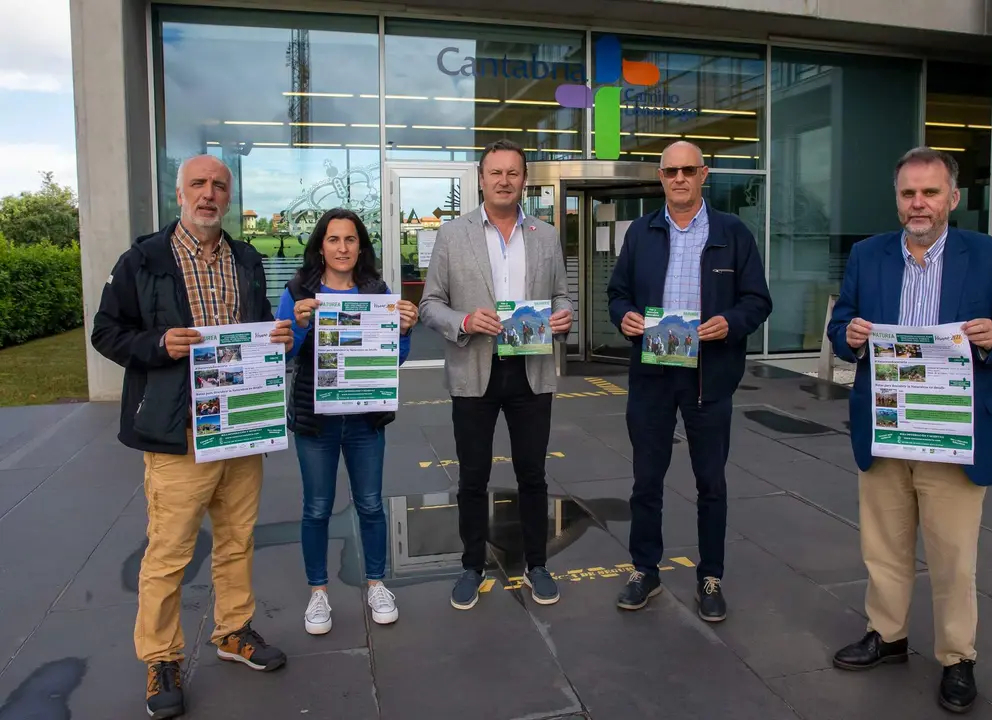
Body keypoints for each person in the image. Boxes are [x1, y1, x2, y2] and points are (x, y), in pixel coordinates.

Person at [827, 147, 992, 714]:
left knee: (952, 557)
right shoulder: (869, 256)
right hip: (888, 426)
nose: (918, 203)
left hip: (954, 433)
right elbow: (839, 321)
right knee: (884, 547)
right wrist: (849, 334)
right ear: (897, 199)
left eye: (930, 192)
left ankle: (957, 658)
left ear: (953, 198)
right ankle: (888, 636)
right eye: (908, 193)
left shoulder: (989, 256)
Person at [90, 154, 294, 719]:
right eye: (198, 184)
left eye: (219, 186)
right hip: (178, 432)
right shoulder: (144, 259)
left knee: (237, 540)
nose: (209, 194)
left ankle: (233, 632)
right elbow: (106, 332)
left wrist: (272, 339)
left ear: (229, 197)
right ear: (179, 194)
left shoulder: (246, 259)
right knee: (170, 552)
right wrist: (158, 345)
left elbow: (251, 333)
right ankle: (161, 656)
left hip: (240, 427)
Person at [606, 140, 772, 621]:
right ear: (660, 178)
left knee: (711, 482)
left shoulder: (732, 232)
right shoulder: (641, 232)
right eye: (670, 171)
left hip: (709, 376)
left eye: (688, 170)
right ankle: (645, 569)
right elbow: (617, 293)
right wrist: (626, 317)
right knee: (646, 480)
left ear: (704, 175)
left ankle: (710, 575)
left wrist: (731, 322)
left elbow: (757, 300)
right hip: (653, 374)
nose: (679, 178)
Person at [419, 139, 574, 611]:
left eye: (513, 173)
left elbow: (563, 296)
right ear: (481, 179)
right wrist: (463, 321)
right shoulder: (453, 235)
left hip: (531, 369)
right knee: (473, 477)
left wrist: (565, 316)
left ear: (524, 179)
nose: (504, 180)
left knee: (533, 474)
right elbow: (430, 305)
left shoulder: (545, 235)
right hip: (475, 369)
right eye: (495, 173)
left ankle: (537, 563)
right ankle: (471, 566)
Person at [274, 208, 416, 633]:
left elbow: (395, 359)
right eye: (333, 239)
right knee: (316, 508)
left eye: (350, 239)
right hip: (316, 420)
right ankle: (319, 594)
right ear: (321, 245)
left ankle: (376, 583)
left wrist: (405, 332)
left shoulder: (377, 291)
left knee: (371, 505)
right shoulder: (298, 290)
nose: (342, 247)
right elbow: (282, 352)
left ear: (360, 246)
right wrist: (297, 325)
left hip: (364, 420)